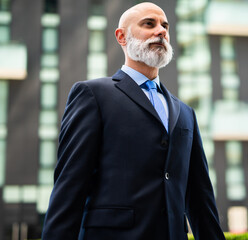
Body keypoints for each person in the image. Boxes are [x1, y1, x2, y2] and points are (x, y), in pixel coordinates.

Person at [42, 2, 226, 240]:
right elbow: (69, 187)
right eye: (149, 24)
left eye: (164, 26)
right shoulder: (92, 95)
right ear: (121, 36)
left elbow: (201, 199)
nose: (161, 31)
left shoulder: (186, 112)